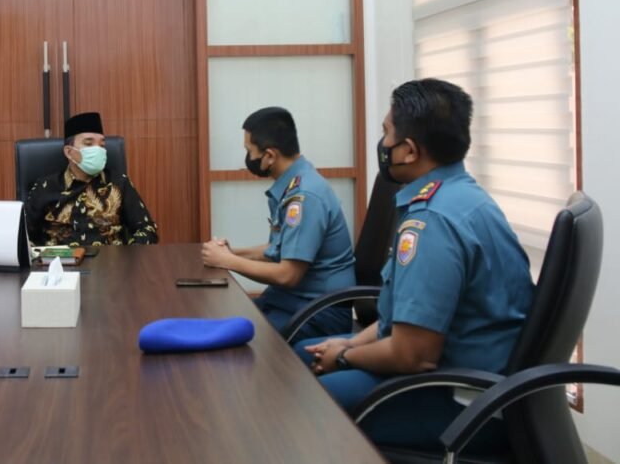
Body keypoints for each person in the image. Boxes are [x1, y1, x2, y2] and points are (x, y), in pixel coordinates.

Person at [294, 78, 534, 451]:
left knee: (308, 404)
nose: (382, 143)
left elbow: (412, 355)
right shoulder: (462, 197)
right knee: (304, 354)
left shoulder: (431, 222)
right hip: (470, 378)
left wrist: (344, 356)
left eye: (386, 132)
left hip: (462, 403)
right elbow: (401, 319)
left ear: (408, 150)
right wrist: (348, 342)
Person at [202, 107, 356, 338]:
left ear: (270, 156)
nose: (248, 158)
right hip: (290, 300)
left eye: (250, 151)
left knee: (236, 340)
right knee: (223, 322)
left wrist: (228, 261)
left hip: (318, 311)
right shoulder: (293, 184)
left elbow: (287, 274)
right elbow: (279, 248)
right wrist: (233, 253)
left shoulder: (304, 196)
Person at [24, 111, 158, 246]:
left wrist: (127, 254)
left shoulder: (119, 183)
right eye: (89, 144)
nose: (98, 150)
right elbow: (23, 234)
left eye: (102, 145)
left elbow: (147, 230)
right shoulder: (46, 186)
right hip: (60, 258)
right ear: (69, 152)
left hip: (111, 258)